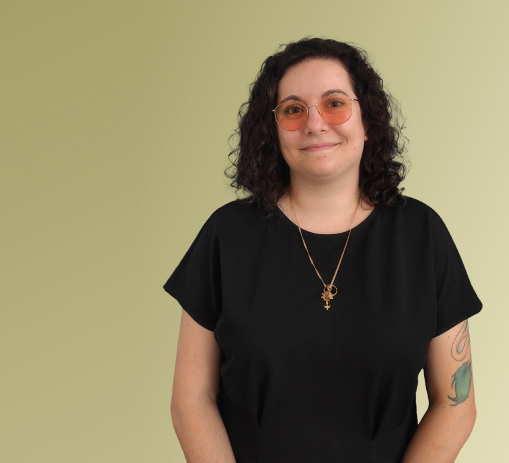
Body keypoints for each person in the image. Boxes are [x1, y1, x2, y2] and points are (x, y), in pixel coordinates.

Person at [163, 37, 483, 463]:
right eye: (293, 110)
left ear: (367, 121)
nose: (314, 124)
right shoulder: (226, 235)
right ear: (272, 129)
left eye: (335, 103)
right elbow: (191, 401)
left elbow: (456, 404)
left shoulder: (421, 235)